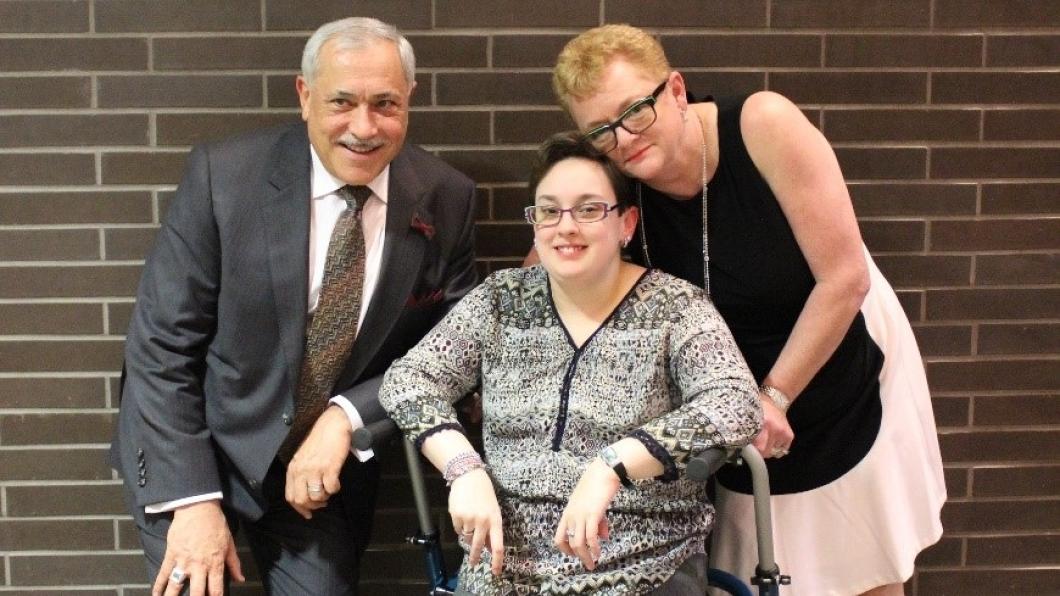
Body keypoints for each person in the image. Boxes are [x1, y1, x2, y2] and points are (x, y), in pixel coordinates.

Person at [533, 24, 947, 596]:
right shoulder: (613, 177)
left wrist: (775, 394)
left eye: (636, 111)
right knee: (763, 568)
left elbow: (844, 277)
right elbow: (548, 256)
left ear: (676, 90)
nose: (624, 139)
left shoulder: (762, 124)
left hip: (834, 358)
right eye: (601, 130)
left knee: (864, 565)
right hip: (728, 398)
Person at [110, 17, 477, 595]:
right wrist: (193, 501)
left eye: (385, 103)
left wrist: (346, 417)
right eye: (342, 102)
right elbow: (160, 349)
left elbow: (447, 351)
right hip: (201, 441)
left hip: (319, 470)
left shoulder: (446, 196)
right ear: (305, 96)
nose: (364, 127)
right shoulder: (224, 178)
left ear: (409, 98)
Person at [380, 132, 764, 595]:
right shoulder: (500, 301)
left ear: (626, 223)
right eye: (549, 210)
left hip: (642, 563)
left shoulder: (676, 308)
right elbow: (408, 379)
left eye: (588, 209)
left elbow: (736, 401)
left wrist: (611, 466)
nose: (566, 226)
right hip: (504, 567)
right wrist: (463, 467)